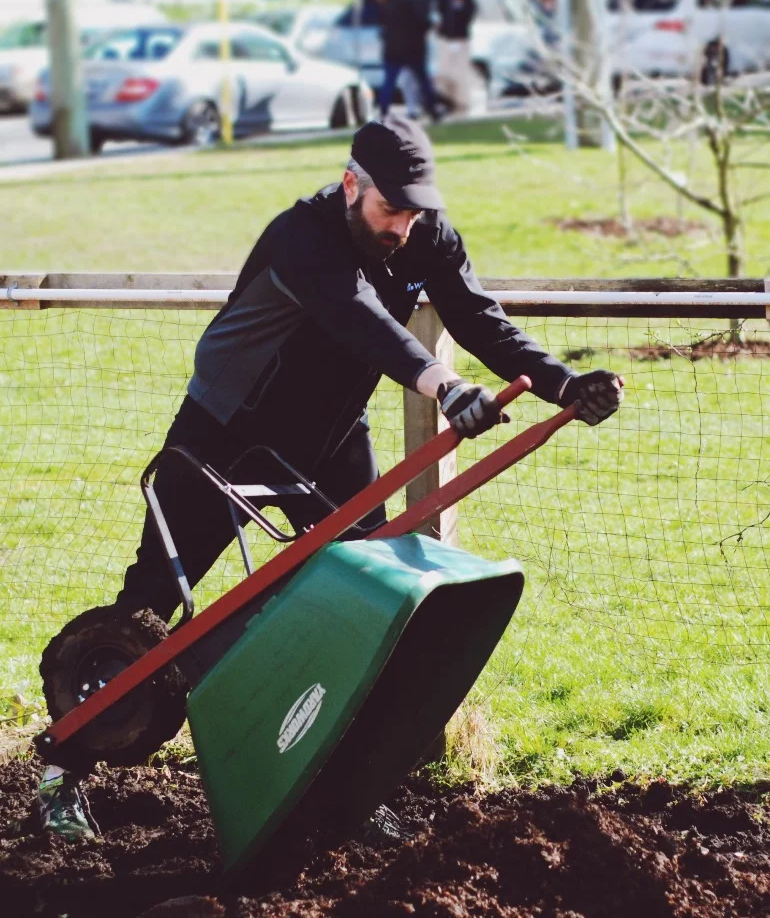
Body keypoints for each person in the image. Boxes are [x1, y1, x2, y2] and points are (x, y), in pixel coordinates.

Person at [37, 117, 624, 843]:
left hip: (328, 439)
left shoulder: (426, 233)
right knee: (147, 612)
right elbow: (362, 320)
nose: (402, 228)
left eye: (414, 212)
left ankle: (340, 786)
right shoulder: (303, 237)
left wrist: (567, 386)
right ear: (353, 185)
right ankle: (62, 772)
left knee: (371, 596)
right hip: (227, 435)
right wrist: (445, 388)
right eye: (390, 210)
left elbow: (478, 316)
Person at [378, 0, 442, 122]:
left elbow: (383, 21)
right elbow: (421, 21)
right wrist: (431, 25)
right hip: (412, 47)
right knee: (423, 80)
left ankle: (383, 111)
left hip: (392, 46)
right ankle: (432, 109)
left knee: (389, 81)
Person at [435, 0, 478, 116]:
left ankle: (462, 101)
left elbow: (470, 12)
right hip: (446, 38)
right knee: (445, 71)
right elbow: (439, 13)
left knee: (460, 71)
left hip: (460, 39)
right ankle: (448, 99)